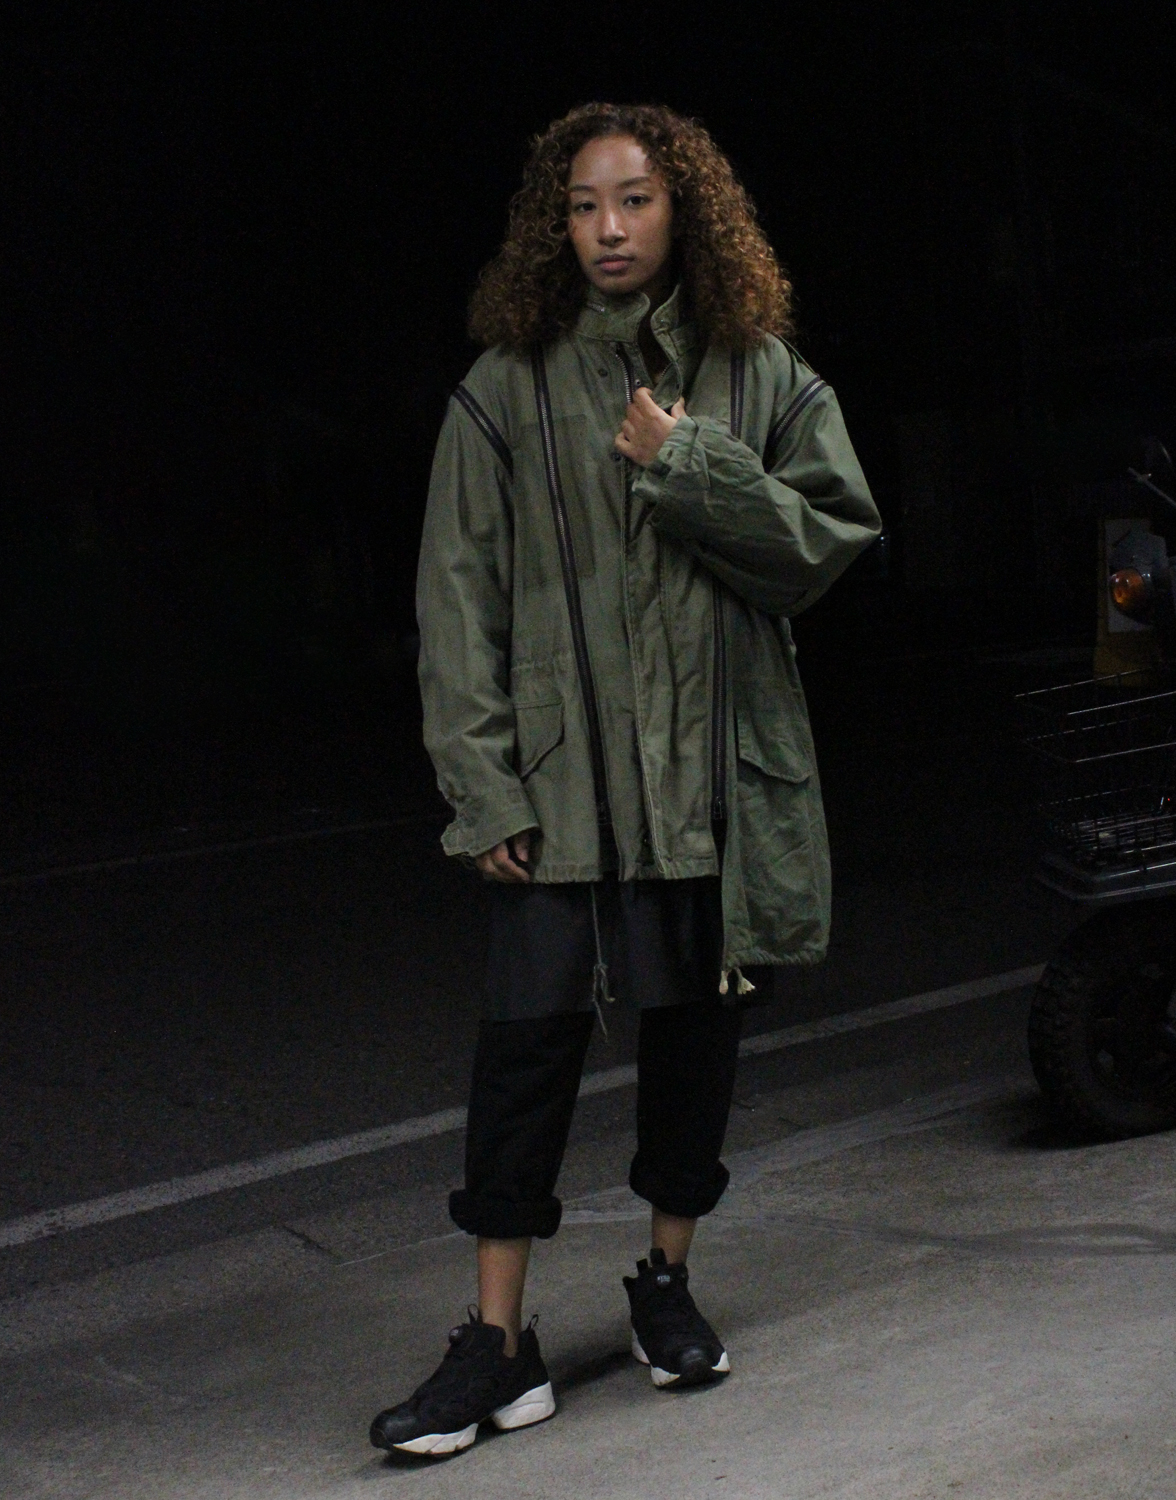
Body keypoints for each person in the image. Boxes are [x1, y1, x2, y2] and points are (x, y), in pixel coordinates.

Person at [370, 102, 881, 1457]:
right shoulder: (504, 387)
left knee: (695, 1046)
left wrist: (689, 460)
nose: (608, 228)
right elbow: (454, 599)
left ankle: (665, 1282)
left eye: (636, 199)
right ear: (556, 225)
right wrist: (483, 787)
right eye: (584, 205)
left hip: (705, 781)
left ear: (683, 211)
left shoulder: (759, 373)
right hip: (563, 791)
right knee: (522, 1057)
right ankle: (497, 1346)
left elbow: (826, 544)